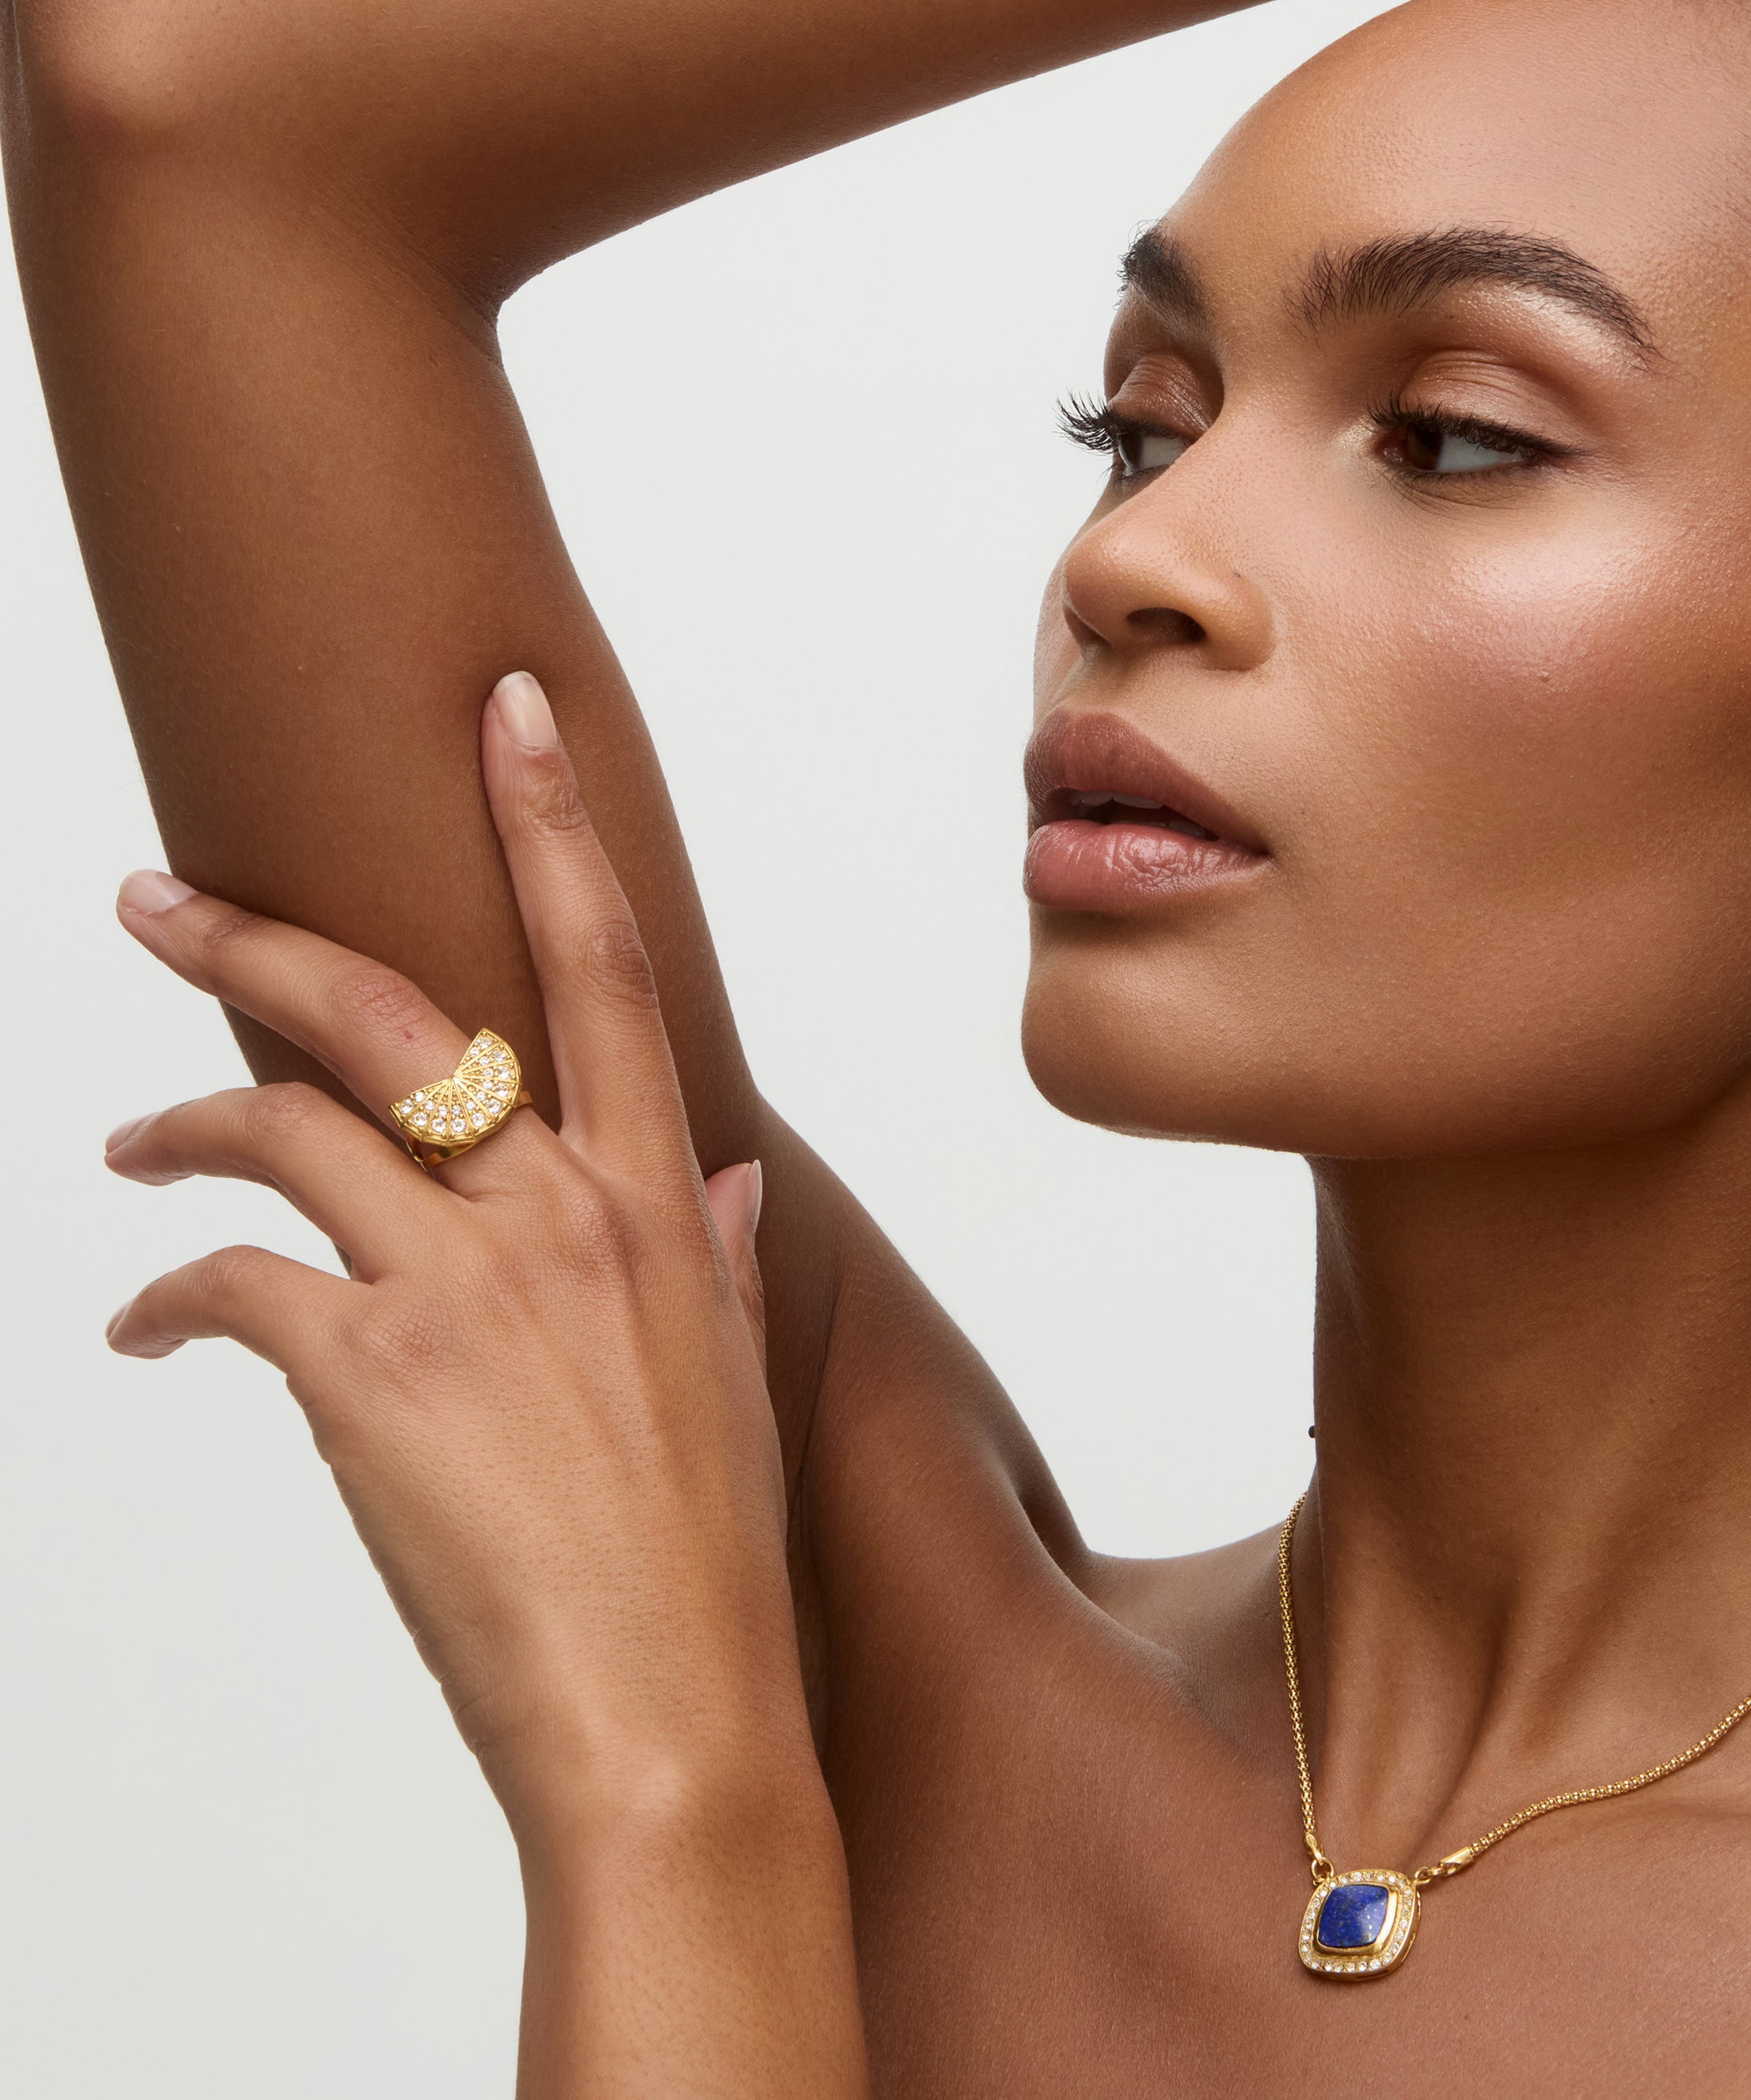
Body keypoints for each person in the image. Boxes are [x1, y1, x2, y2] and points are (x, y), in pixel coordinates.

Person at [9, 0, 1751, 2085]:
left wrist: (676, 1808)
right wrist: (693, 1760)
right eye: (1145, 427)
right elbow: (179, 89)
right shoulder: (812, 1588)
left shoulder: (769, 1670)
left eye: (1452, 436)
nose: (1125, 558)